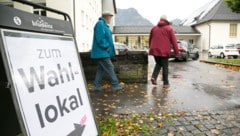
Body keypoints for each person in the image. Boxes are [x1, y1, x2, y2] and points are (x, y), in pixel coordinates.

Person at [91, 11, 125, 92]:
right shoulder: (100, 24)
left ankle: (96, 86)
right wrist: (106, 46)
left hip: (102, 52)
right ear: (106, 17)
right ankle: (115, 85)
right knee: (110, 67)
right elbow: (100, 38)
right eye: (110, 17)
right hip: (101, 52)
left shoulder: (104, 25)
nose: (110, 19)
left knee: (101, 69)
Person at [149, 15, 179, 89]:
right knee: (165, 66)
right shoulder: (169, 28)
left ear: (160, 20)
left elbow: (150, 39)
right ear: (166, 20)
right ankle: (166, 82)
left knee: (158, 64)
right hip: (164, 51)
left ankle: (153, 77)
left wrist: (150, 48)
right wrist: (177, 52)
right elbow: (174, 41)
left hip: (154, 49)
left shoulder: (154, 28)